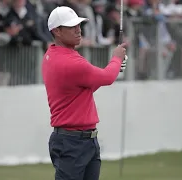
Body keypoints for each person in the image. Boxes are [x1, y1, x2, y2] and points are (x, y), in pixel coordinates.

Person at [42, 6, 127, 180]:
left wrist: (115, 66)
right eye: (71, 26)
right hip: (72, 142)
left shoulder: (53, 54)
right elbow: (106, 77)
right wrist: (116, 58)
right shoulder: (71, 61)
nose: (78, 30)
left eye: (79, 25)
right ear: (57, 31)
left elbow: (86, 86)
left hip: (80, 140)